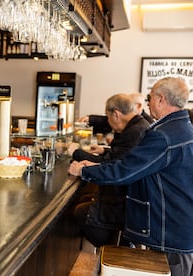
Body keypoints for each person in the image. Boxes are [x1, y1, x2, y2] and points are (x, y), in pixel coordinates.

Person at [68, 77, 193, 276]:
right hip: (179, 225)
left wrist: (83, 171)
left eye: (150, 98)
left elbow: (124, 171)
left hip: (170, 231)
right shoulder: (182, 128)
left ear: (161, 99)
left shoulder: (164, 135)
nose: (147, 103)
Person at [72, 93, 150, 247]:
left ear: (116, 114)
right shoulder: (137, 125)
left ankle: (112, 249)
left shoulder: (134, 131)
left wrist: (82, 167)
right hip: (128, 195)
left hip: (126, 201)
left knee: (81, 211)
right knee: (83, 200)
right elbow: (117, 158)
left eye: (107, 117)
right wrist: (102, 154)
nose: (107, 121)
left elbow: (115, 166)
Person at [78, 92, 154, 135]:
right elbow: (109, 119)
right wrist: (90, 118)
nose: (127, 107)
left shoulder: (139, 127)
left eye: (129, 104)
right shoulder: (136, 122)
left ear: (138, 105)